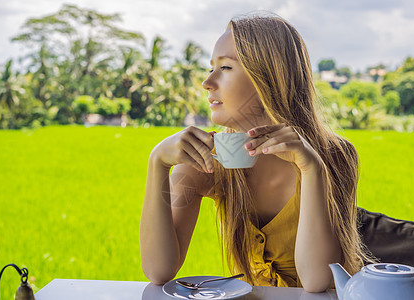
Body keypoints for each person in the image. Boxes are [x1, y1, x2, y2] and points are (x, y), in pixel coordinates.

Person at [140, 13, 371, 292]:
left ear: (269, 77)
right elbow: (158, 270)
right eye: (210, 67)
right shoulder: (206, 161)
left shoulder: (334, 155)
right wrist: (157, 164)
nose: (207, 82)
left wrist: (312, 170)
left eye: (225, 68)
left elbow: (317, 281)